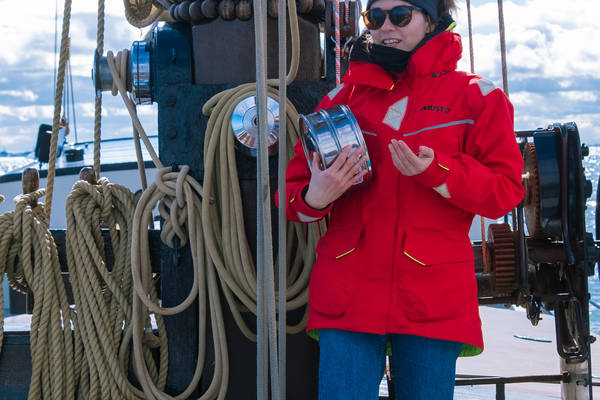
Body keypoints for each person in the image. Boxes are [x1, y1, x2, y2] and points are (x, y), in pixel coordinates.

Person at [283, 0, 524, 398]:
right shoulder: (342, 99)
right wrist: (316, 196)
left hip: (430, 299)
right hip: (349, 298)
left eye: (400, 16)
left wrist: (438, 172)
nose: (384, 27)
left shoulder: (478, 97)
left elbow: (505, 191)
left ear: (430, 19)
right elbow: (289, 195)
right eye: (374, 17)